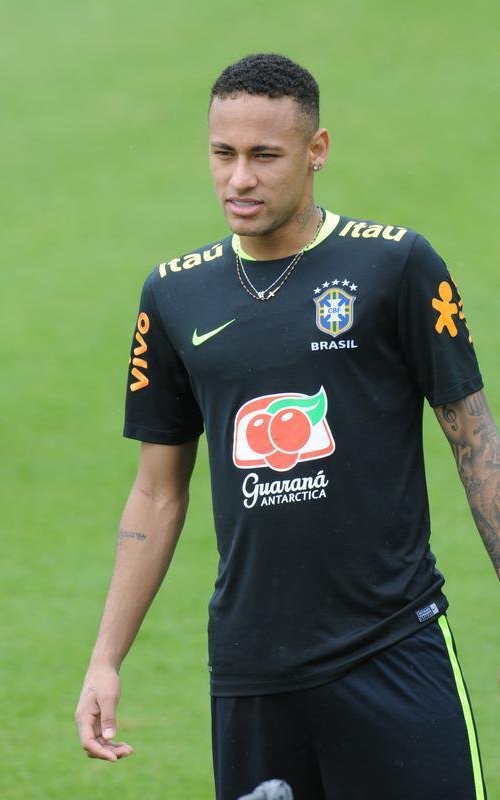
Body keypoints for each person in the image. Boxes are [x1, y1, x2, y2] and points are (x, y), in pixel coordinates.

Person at [75, 53, 499, 799]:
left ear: (316, 150)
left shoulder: (395, 266)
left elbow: (476, 446)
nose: (239, 178)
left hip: (393, 649)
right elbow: (155, 494)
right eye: (222, 154)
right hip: (251, 670)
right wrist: (105, 658)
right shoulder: (174, 296)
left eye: (264, 156)